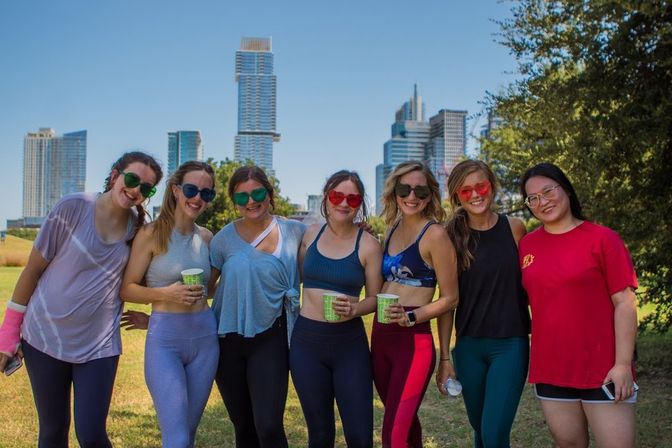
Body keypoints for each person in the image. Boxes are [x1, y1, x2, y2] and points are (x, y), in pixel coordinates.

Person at [0, 151, 162, 447]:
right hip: (43, 340)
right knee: (53, 431)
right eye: (132, 179)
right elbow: (33, 270)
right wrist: (8, 333)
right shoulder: (73, 207)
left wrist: (159, 317)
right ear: (115, 176)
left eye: (147, 188)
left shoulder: (139, 230)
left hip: (99, 347)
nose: (137, 189)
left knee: (92, 435)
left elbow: (144, 283)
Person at [519, 162, 638, 448]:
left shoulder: (604, 239)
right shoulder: (527, 246)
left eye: (548, 191)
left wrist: (622, 364)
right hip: (551, 367)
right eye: (532, 198)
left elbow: (625, 302)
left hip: (604, 367)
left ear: (567, 190)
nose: (542, 201)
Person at [120, 161, 219, 448]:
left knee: (188, 432)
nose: (198, 197)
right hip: (166, 343)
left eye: (206, 193)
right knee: (175, 437)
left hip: (205, 340)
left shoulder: (207, 238)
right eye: (191, 189)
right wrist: (165, 295)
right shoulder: (151, 234)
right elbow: (126, 289)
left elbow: (208, 291)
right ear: (176, 190)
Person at [209, 165, 305, 448]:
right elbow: (204, 289)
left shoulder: (295, 231)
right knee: (243, 425)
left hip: (272, 337)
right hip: (228, 340)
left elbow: (333, 241)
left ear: (270, 193)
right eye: (242, 197)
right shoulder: (222, 239)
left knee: (269, 424)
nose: (251, 201)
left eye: (257, 193)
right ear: (234, 202)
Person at [439, 160, 530, 448]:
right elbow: (447, 302)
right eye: (466, 191)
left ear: (491, 185)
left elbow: (537, 282)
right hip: (468, 348)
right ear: (456, 197)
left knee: (493, 435)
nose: (475, 195)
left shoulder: (515, 228)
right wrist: (444, 357)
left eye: (481, 186)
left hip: (510, 345)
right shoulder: (450, 237)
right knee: (480, 429)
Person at [290, 170, 383, 448]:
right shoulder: (309, 235)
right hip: (306, 344)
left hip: (349, 345)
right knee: (319, 434)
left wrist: (356, 309)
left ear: (360, 204)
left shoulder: (368, 244)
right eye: (337, 196)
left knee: (359, 435)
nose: (344, 203)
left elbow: (375, 298)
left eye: (352, 198)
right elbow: (297, 276)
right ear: (326, 197)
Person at [374, 160, 459, 448]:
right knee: (404, 425)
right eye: (404, 189)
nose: (412, 197)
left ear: (430, 195)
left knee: (393, 436)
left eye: (420, 191)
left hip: (413, 341)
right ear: (394, 192)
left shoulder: (435, 234)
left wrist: (413, 317)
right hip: (381, 336)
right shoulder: (391, 229)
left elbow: (451, 297)